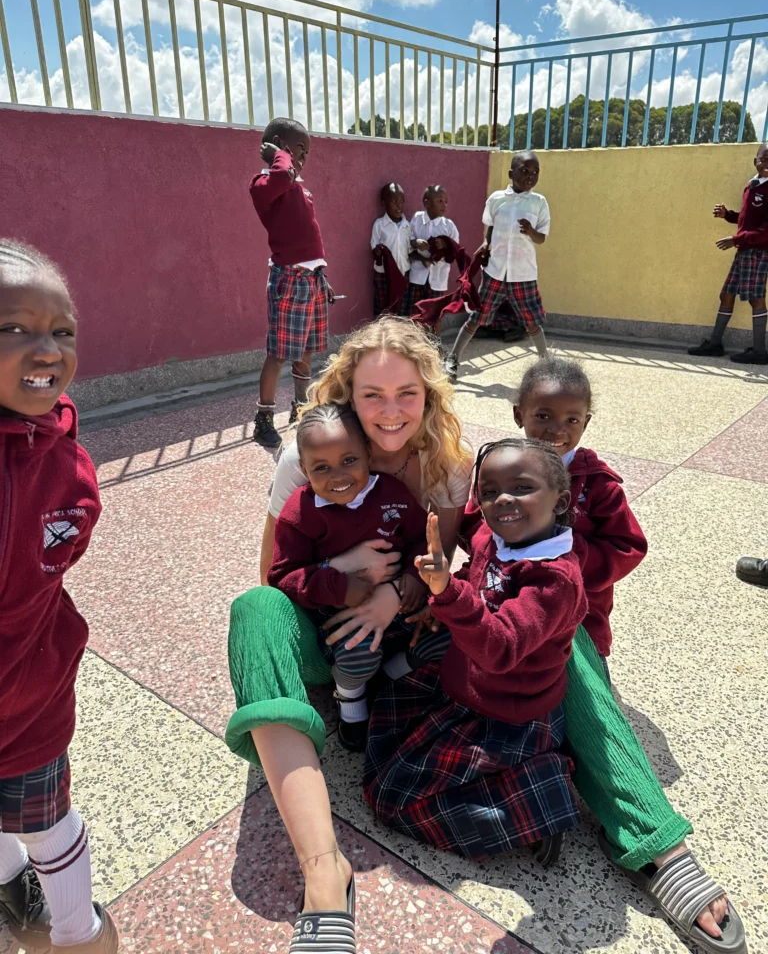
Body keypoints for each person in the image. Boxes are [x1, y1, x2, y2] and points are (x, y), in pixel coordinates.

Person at [227, 317, 744, 954]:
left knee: (562, 624)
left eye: (407, 393)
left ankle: (654, 838)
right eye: (372, 395)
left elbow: (444, 565)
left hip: (418, 631)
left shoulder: (447, 461)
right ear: (346, 395)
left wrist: (395, 593)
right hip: (335, 628)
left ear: (430, 395)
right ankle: (324, 875)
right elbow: (274, 577)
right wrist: (345, 574)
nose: (391, 412)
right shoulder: (308, 456)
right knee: (253, 611)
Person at [364, 440, 586, 864]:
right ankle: (520, 788)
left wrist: (448, 594)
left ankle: (541, 800)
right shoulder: (494, 538)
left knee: (389, 799)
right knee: (389, 713)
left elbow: (500, 648)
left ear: (560, 501)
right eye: (488, 491)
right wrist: (446, 597)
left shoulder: (555, 580)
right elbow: (479, 576)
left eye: (522, 487)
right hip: (465, 686)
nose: (502, 499)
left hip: (504, 716)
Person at [0, 241, 118, 952]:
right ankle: (13, 885)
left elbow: (69, 538)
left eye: (63, 329)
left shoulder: (64, 446)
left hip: (33, 690)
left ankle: (79, 931)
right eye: (16, 327)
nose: (47, 347)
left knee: (46, 815)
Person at [267, 402, 448, 752]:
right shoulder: (300, 513)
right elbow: (282, 576)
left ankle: (390, 677)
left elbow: (417, 539)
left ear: (367, 453)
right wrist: (339, 585)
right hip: (343, 616)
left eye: (349, 460)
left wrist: (412, 575)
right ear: (304, 468)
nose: (338, 476)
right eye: (321, 467)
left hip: (401, 607)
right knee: (357, 651)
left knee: (444, 636)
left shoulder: (392, 494)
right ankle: (351, 704)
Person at [513, 356, 648, 659]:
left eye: (571, 420)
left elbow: (628, 546)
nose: (556, 430)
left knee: (578, 690)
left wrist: (568, 554)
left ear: (586, 421)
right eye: (543, 416)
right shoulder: (501, 471)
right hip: (512, 602)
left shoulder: (599, 486)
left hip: (580, 616)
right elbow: (474, 522)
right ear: (519, 415)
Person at [249, 117, 333, 448]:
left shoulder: (298, 185)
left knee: (306, 351)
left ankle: (301, 410)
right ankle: (264, 418)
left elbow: (309, 236)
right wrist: (276, 157)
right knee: (279, 353)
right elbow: (282, 174)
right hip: (289, 280)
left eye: (306, 152)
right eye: (297, 149)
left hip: (311, 279)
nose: (302, 157)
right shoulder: (264, 182)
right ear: (275, 146)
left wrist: (321, 274)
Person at [445, 151, 550, 382]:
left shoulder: (539, 202)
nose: (530, 176)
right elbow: (490, 227)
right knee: (476, 318)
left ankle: (546, 363)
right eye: (525, 170)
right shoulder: (496, 199)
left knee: (532, 323)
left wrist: (531, 231)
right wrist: (485, 243)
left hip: (523, 274)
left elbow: (541, 237)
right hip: (495, 271)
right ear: (511, 173)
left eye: (535, 172)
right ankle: (452, 359)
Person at [689, 142, 768, 365]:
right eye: (763, 158)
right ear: (755, 160)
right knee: (726, 294)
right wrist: (728, 215)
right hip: (743, 250)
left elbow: (766, 231)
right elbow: (746, 218)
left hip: (759, 252)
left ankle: (760, 351)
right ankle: (715, 344)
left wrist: (736, 240)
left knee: (756, 298)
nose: (766, 162)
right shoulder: (751, 185)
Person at [400, 186, 459, 333]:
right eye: (439, 201)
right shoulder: (417, 219)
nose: (444, 205)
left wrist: (443, 246)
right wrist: (417, 243)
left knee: (435, 313)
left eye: (446, 201)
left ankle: (435, 343)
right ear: (426, 203)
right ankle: (414, 342)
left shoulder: (449, 226)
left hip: (437, 278)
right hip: (418, 276)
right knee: (415, 310)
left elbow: (455, 251)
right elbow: (408, 240)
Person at [371, 183, 411, 317]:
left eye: (402, 201)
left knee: (401, 308)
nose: (399, 205)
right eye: (394, 201)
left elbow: (410, 249)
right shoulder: (379, 225)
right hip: (383, 275)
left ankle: (398, 336)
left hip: (402, 273)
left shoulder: (407, 226)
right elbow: (374, 246)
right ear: (384, 203)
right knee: (384, 308)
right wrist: (377, 251)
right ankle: (382, 335)